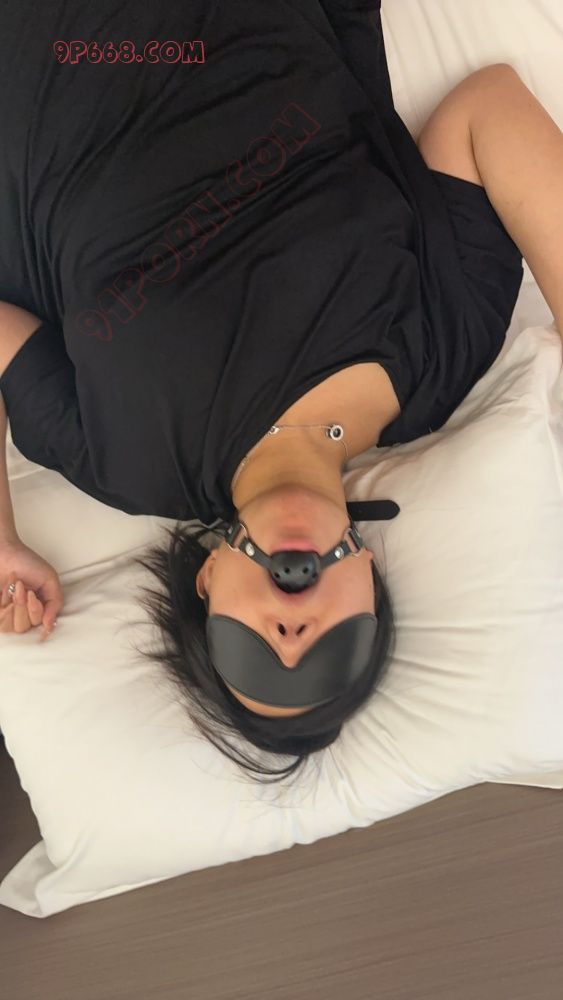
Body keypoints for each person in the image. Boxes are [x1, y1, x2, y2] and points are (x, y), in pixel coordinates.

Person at [1, 2, 562, 783]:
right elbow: (487, 108)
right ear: (367, 589)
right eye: (332, 649)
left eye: (252, 653)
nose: (291, 629)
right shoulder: (438, 358)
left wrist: (2, 538)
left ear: (207, 584)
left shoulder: (128, 466)